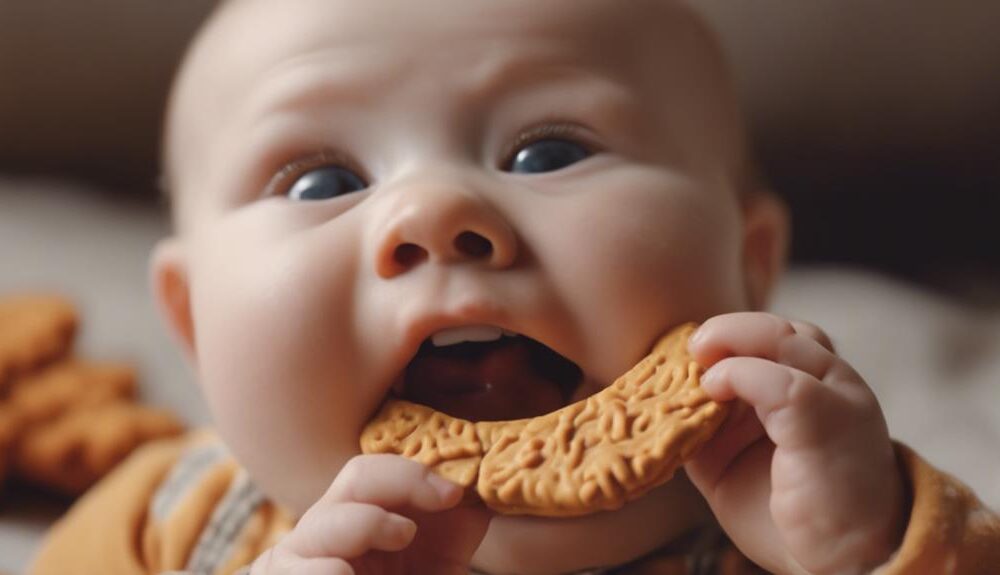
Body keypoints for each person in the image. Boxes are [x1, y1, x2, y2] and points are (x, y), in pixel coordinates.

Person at [29, 0, 999, 573]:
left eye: (545, 151)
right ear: (194, 322)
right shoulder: (173, 522)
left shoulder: (808, 520)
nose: (434, 211)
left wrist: (866, 544)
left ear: (748, 263)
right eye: (321, 181)